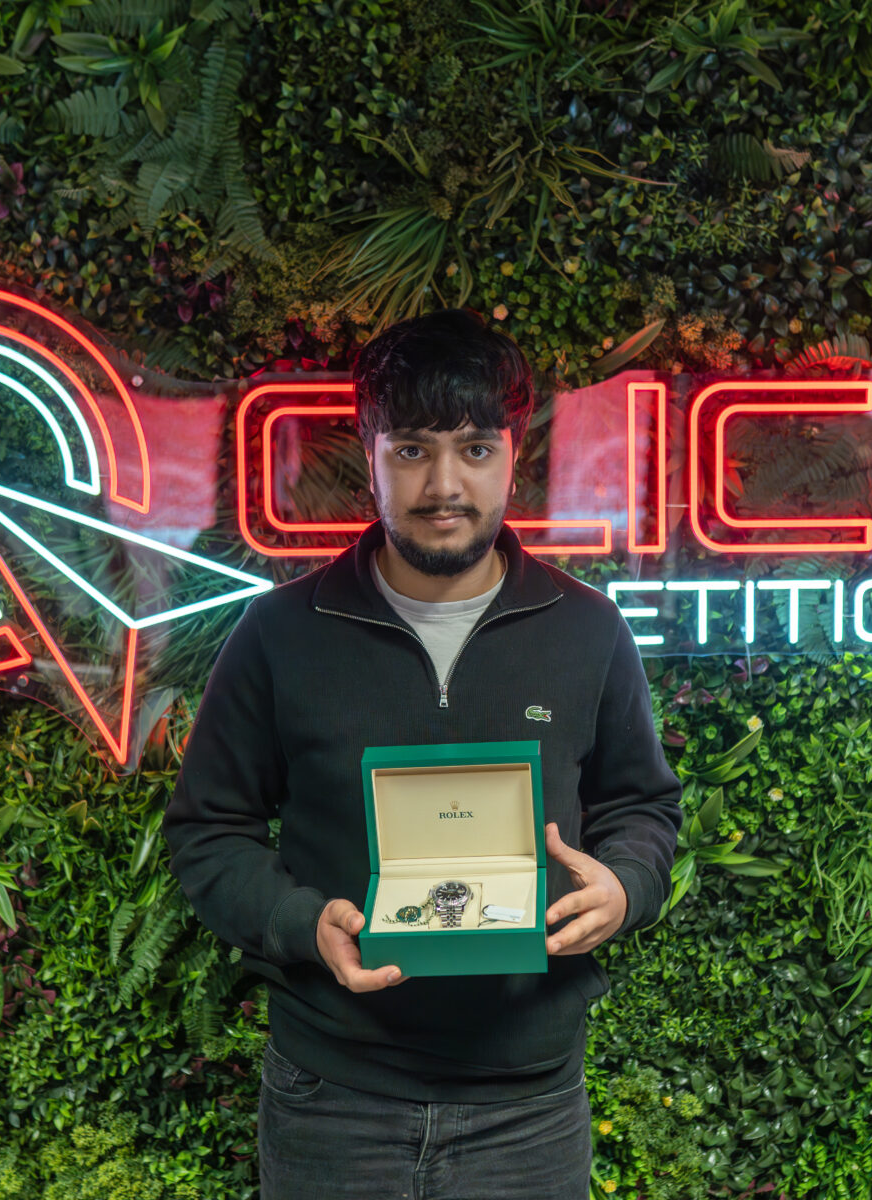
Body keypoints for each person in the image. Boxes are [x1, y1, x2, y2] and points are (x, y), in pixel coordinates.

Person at [163, 308, 683, 1199]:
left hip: (527, 1108)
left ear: (513, 454)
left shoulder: (588, 630)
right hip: (332, 1099)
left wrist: (626, 886)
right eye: (411, 450)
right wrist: (301, 922)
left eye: (475, 449)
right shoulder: (281, 633)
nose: (445, 485)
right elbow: (209, 829)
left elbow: (642, 806)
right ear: (369, 454)